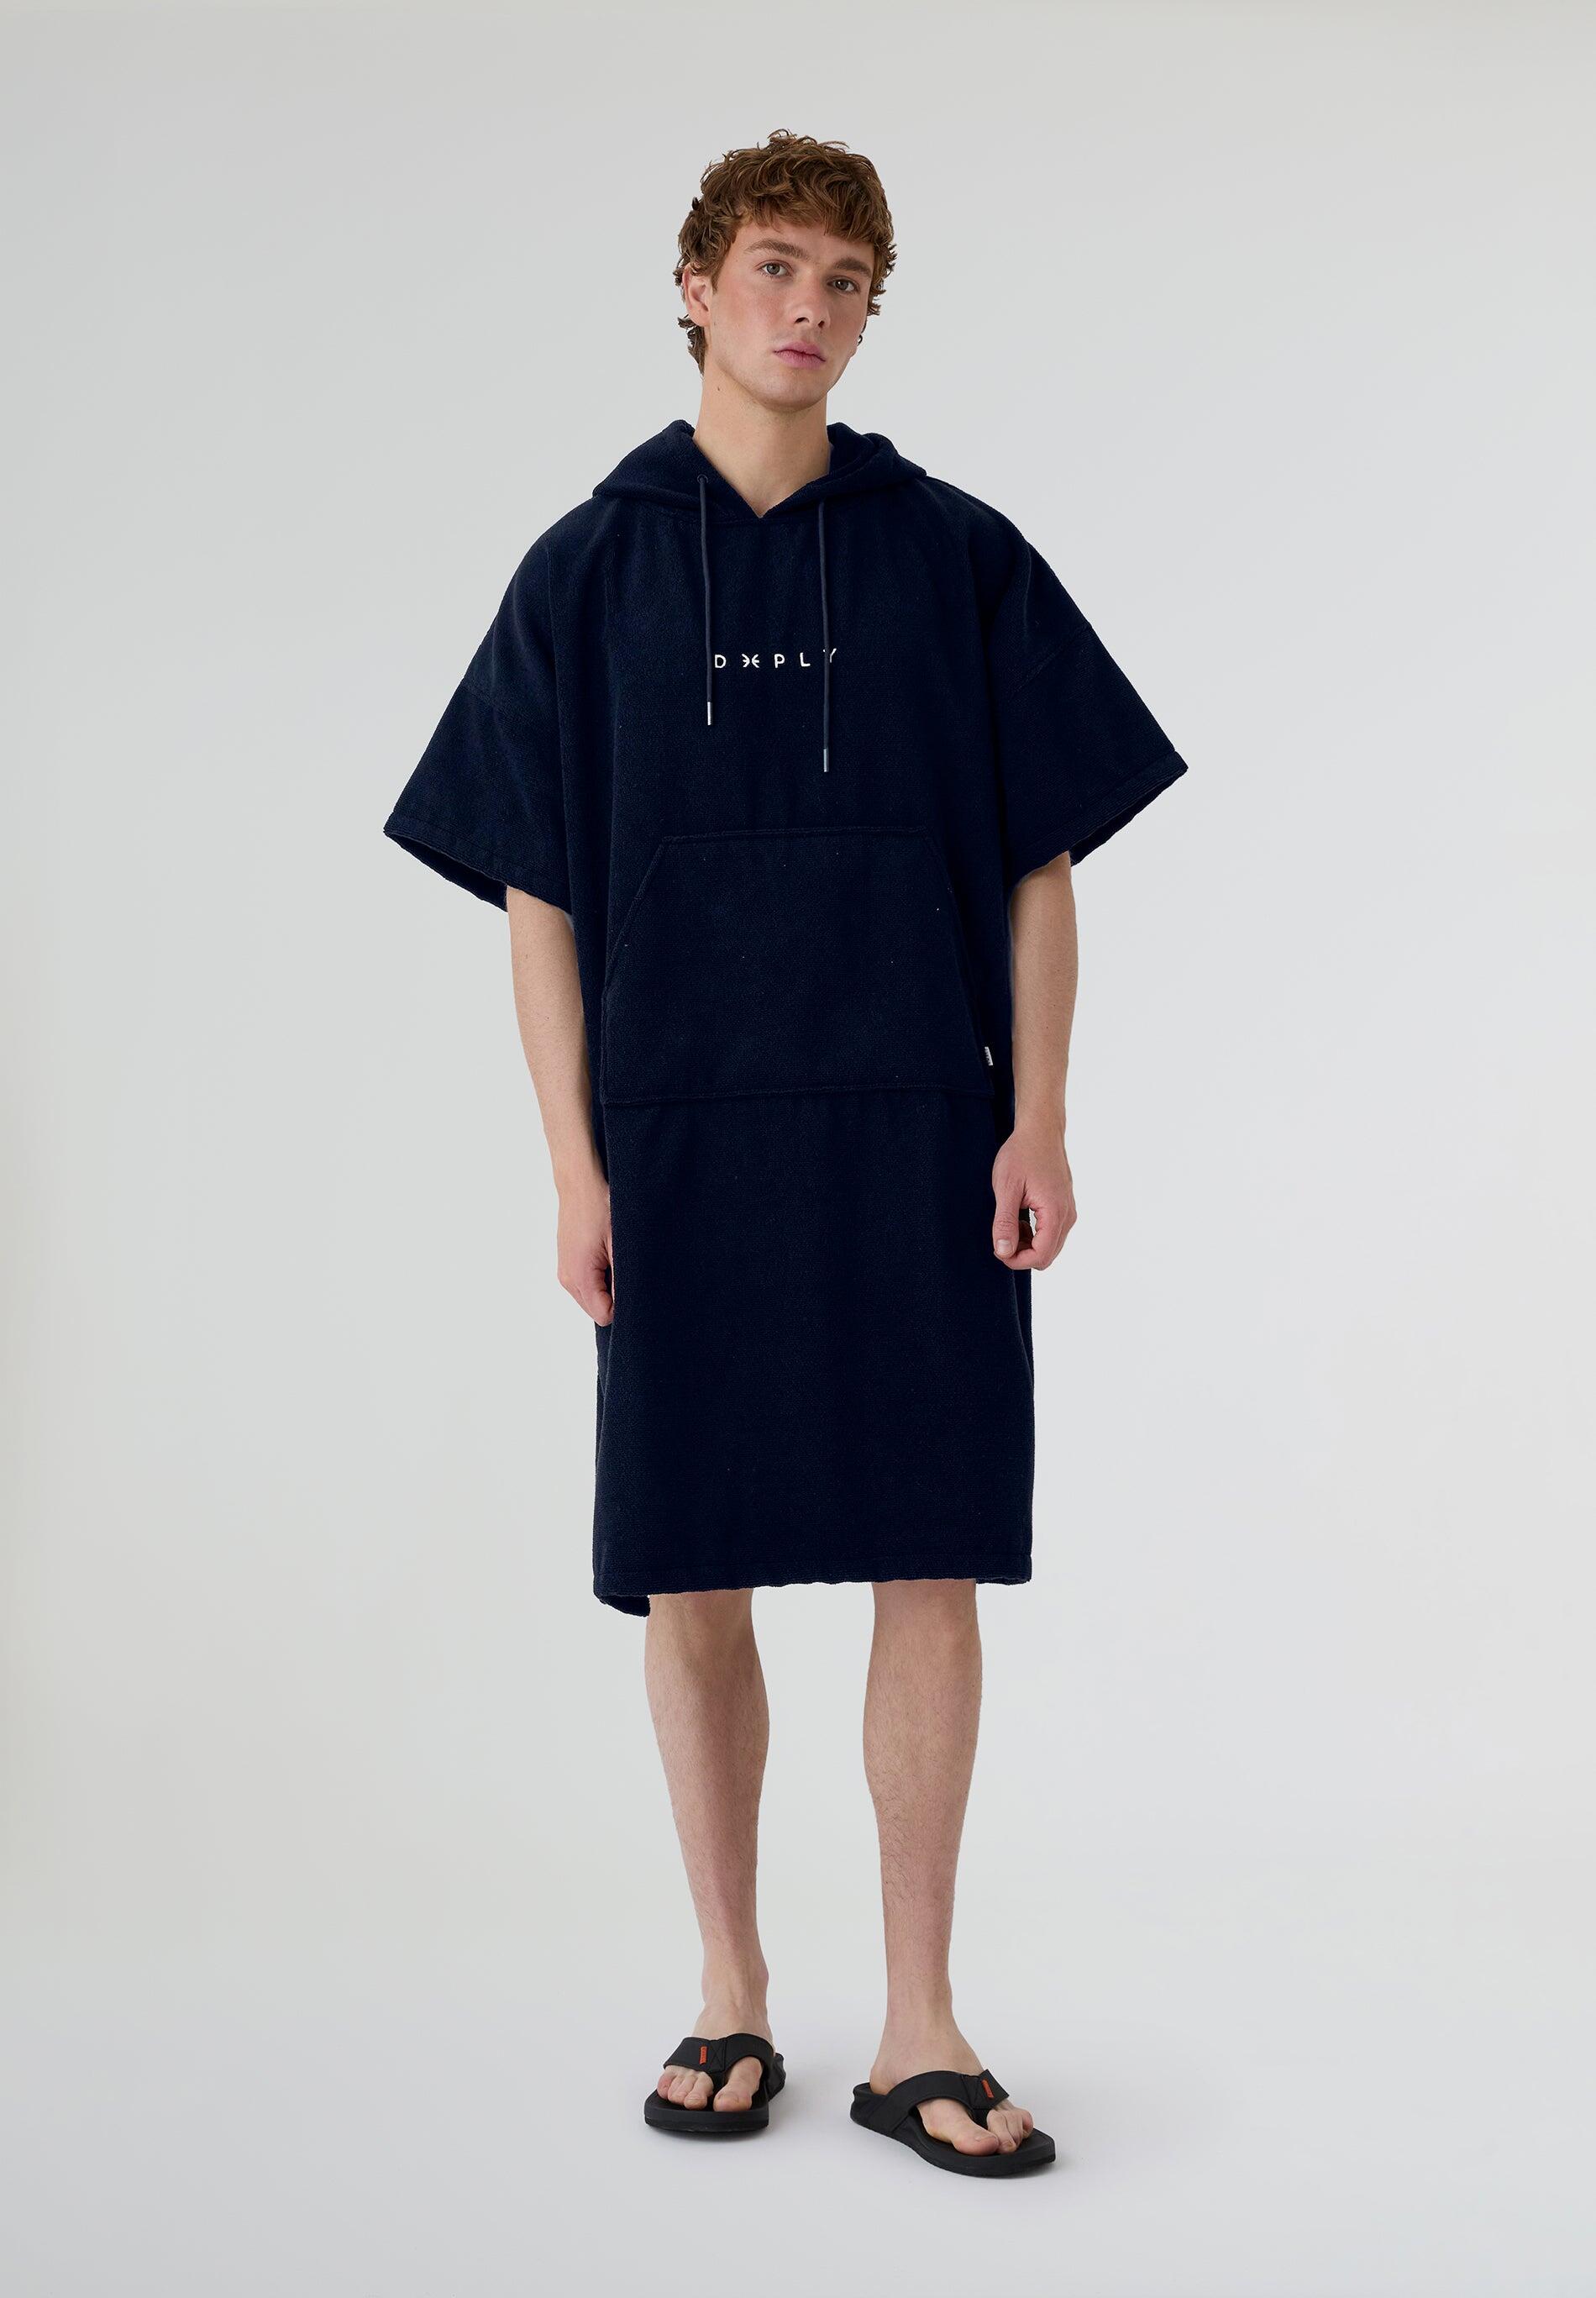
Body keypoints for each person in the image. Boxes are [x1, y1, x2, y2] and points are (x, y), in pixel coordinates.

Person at [382, 129, 1189, 2179]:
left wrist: (1037, 1113)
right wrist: (573, 1167)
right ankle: (731, 1990)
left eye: (842, 280)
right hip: (677, 1138)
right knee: (693, 1566)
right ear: (692, 286)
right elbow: (537, 898)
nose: (805, 308)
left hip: (919, 1126)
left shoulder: (951, 555)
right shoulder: (586, 569)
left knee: (932, 1553)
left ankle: (918, 2022)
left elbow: (1039, 858)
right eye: (771, 266)